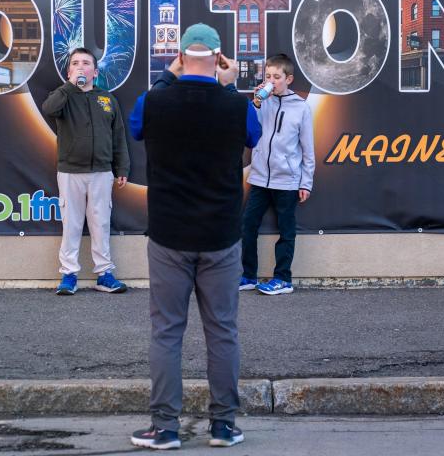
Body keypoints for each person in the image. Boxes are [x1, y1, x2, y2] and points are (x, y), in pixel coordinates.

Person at [128, 23, 261, 450]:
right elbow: (254, 137)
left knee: (166, 332)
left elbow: (135, 128)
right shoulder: (235, 106)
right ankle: (223, 426)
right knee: (222, 331)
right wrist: (229, 84)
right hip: (221, 234)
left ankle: (165, 428)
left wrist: (169, 76)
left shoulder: (154, 100)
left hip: (169, 234)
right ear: (221, 58)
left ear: (181, 56)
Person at [41, 47, 130, 296]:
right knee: (72, 223)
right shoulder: (63, 95)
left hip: (102, 171)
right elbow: (49, 109)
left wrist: (121, 167)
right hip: (70, 171)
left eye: (86, 63)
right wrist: (70, 86)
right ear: (69, 70)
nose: (81, 67)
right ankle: (69, 274)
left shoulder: (107, 99)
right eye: (76, 63)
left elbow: (118, 137)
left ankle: (104, 274)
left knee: (100, 222)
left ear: (95, 71)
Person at [240, 53, 315, 295]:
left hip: (288, 180)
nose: (271, 80)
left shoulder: (301, 108)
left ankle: (283, 279)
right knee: (247, 225)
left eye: (276, 77)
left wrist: (306, 183)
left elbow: (307, 149)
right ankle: (248, 275)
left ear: (288, 79)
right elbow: (252, 131)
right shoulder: (263, 103)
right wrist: (257, 103)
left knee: (286, 230)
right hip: (260, 177)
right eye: (268, 76)